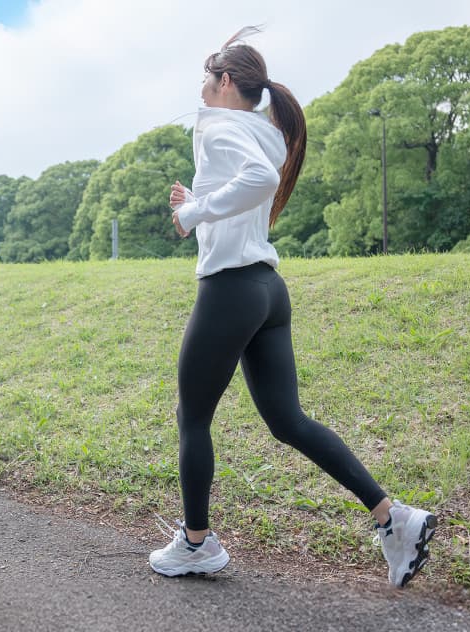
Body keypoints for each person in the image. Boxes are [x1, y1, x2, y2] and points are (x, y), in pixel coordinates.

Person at [147, 27, 437, 588]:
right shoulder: (262, 131)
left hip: (230, 290)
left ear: (226, 82)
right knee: (287, 421)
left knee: (192, 416)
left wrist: (192, 213)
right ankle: (393, 518)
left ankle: (196, 544)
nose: (201, 93)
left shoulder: (217, 125)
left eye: (206, 82)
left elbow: (254, 182)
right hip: (267, 290)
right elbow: (246, 187)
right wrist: (200, 202)